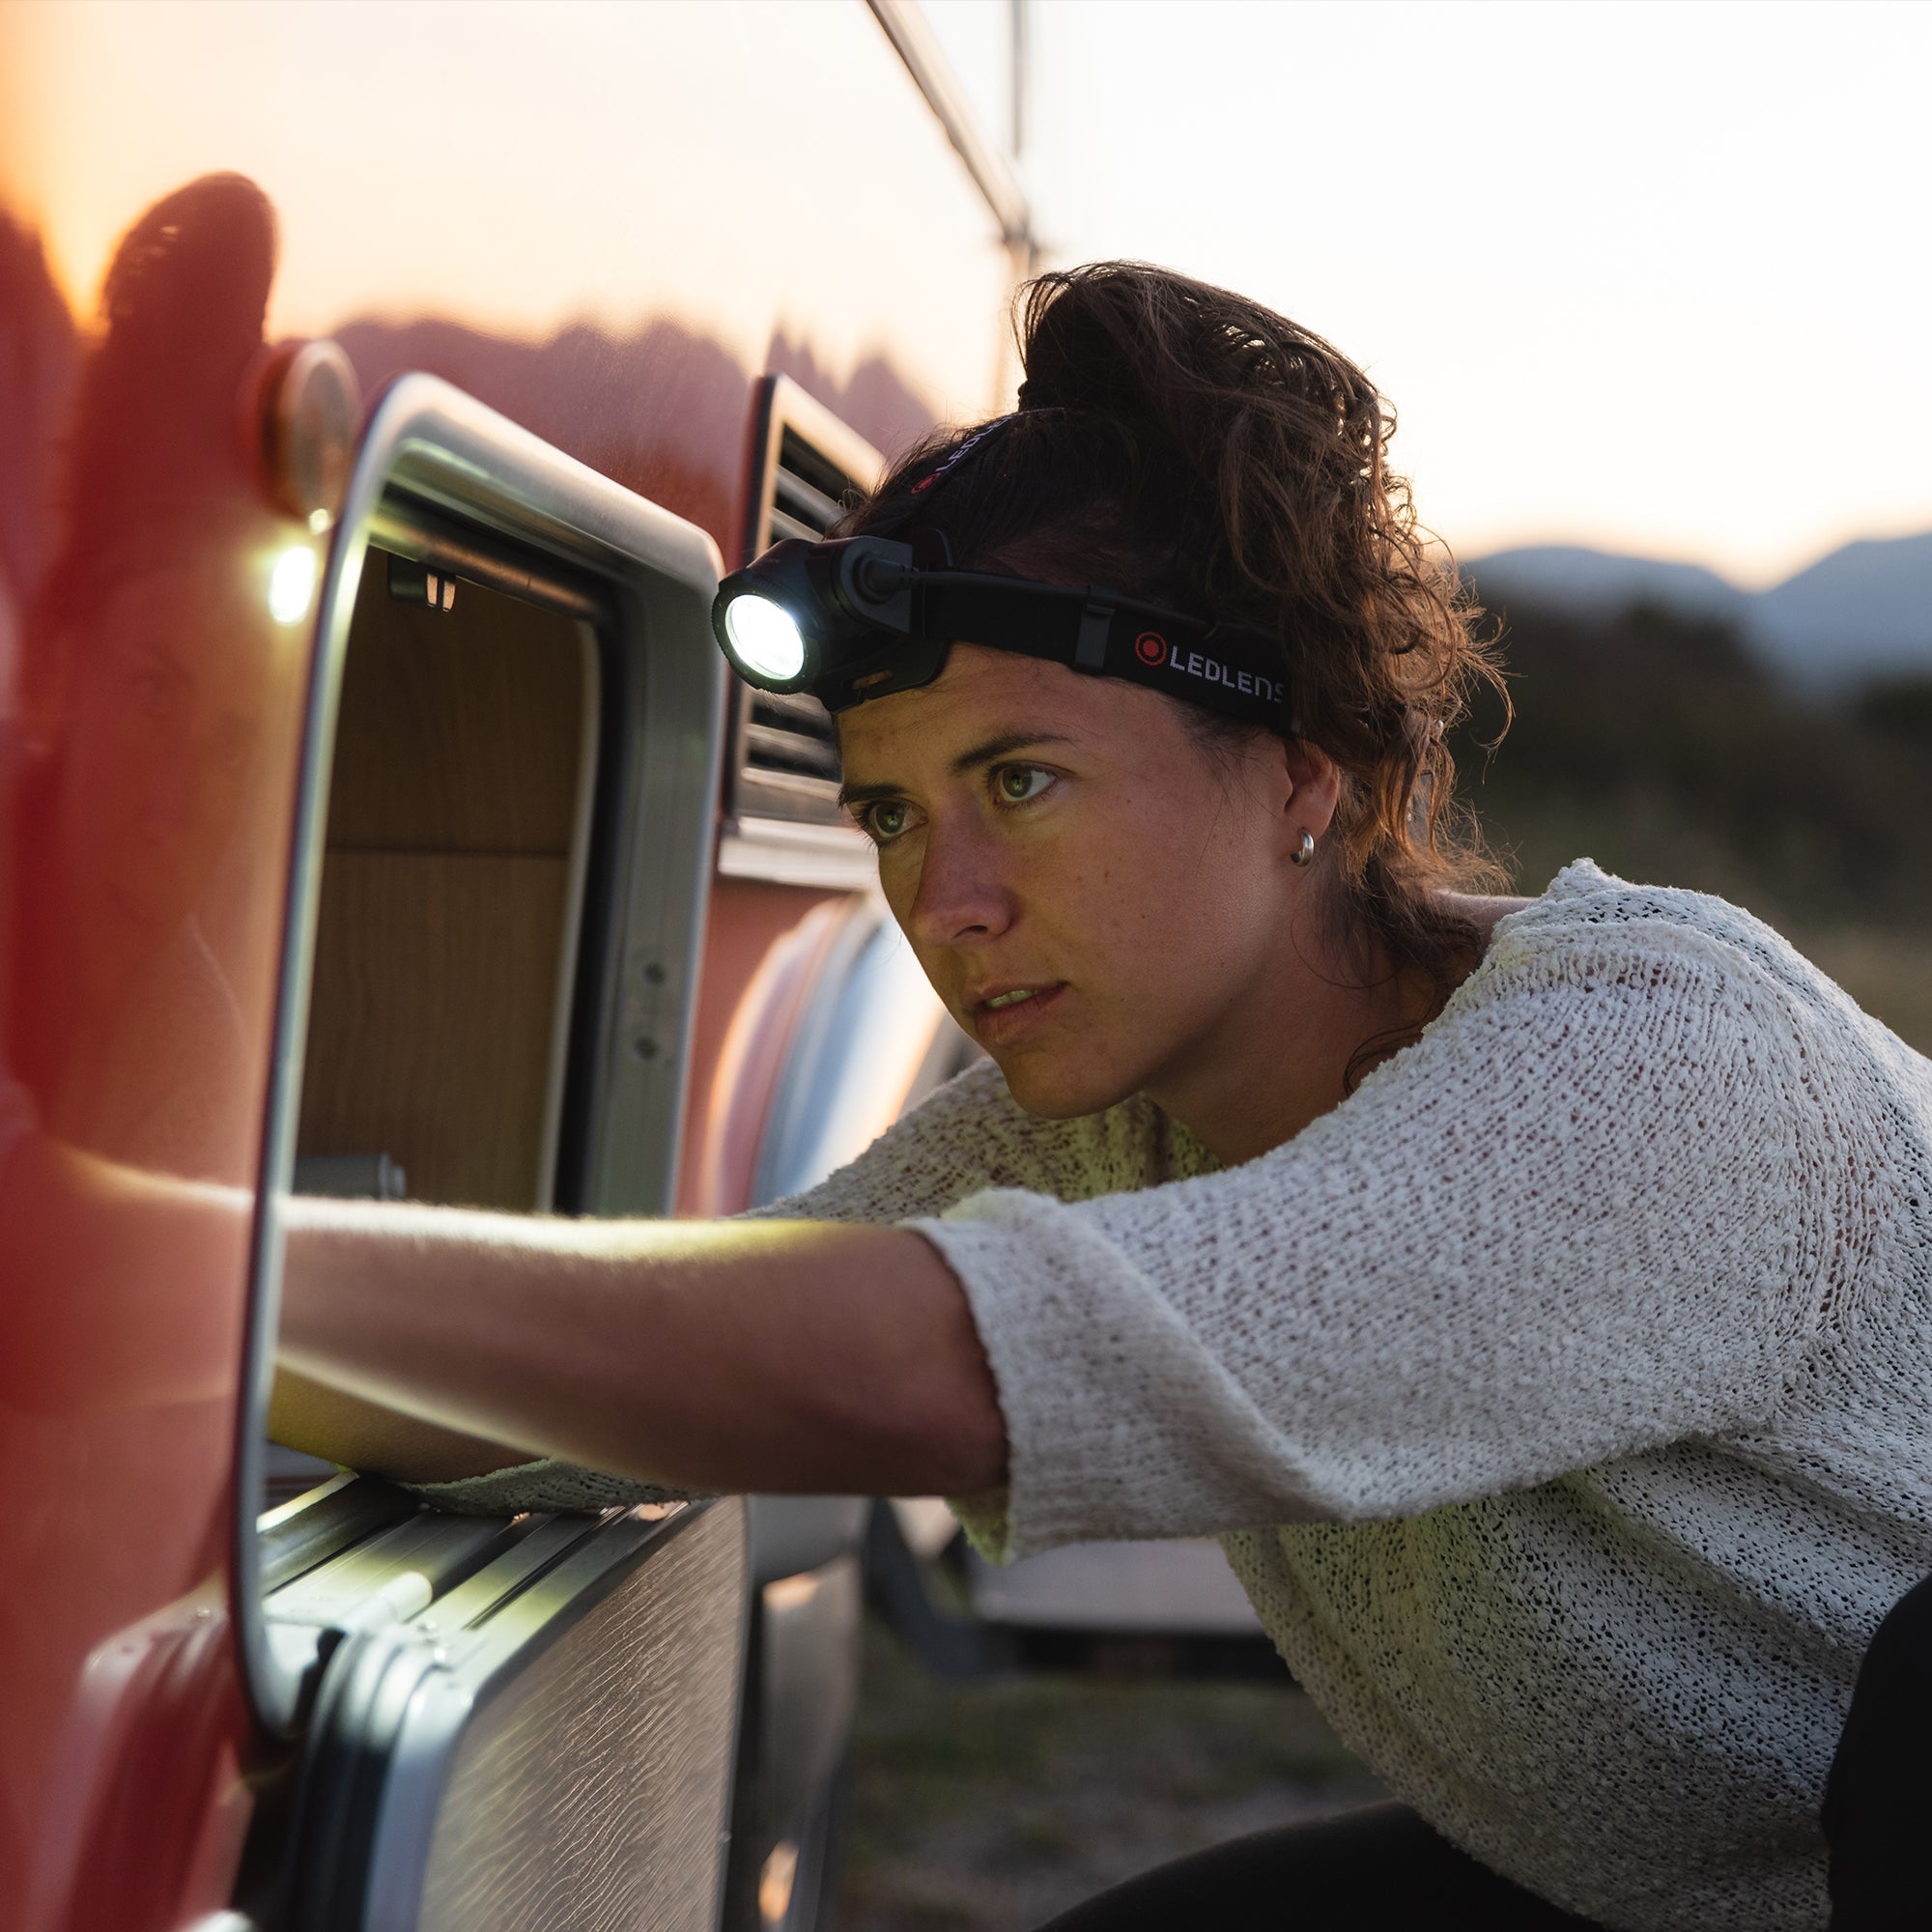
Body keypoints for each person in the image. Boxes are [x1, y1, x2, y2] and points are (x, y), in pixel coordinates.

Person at [273, 264, 1932, 1932]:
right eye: (894, 817)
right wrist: (185, 1339)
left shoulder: (1653, 1067)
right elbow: (683, 1363)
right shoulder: (1099, 1118)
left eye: (1021, 780)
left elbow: (937, 1370)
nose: (948, 901)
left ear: (1301, 775)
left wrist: (188, 1271)